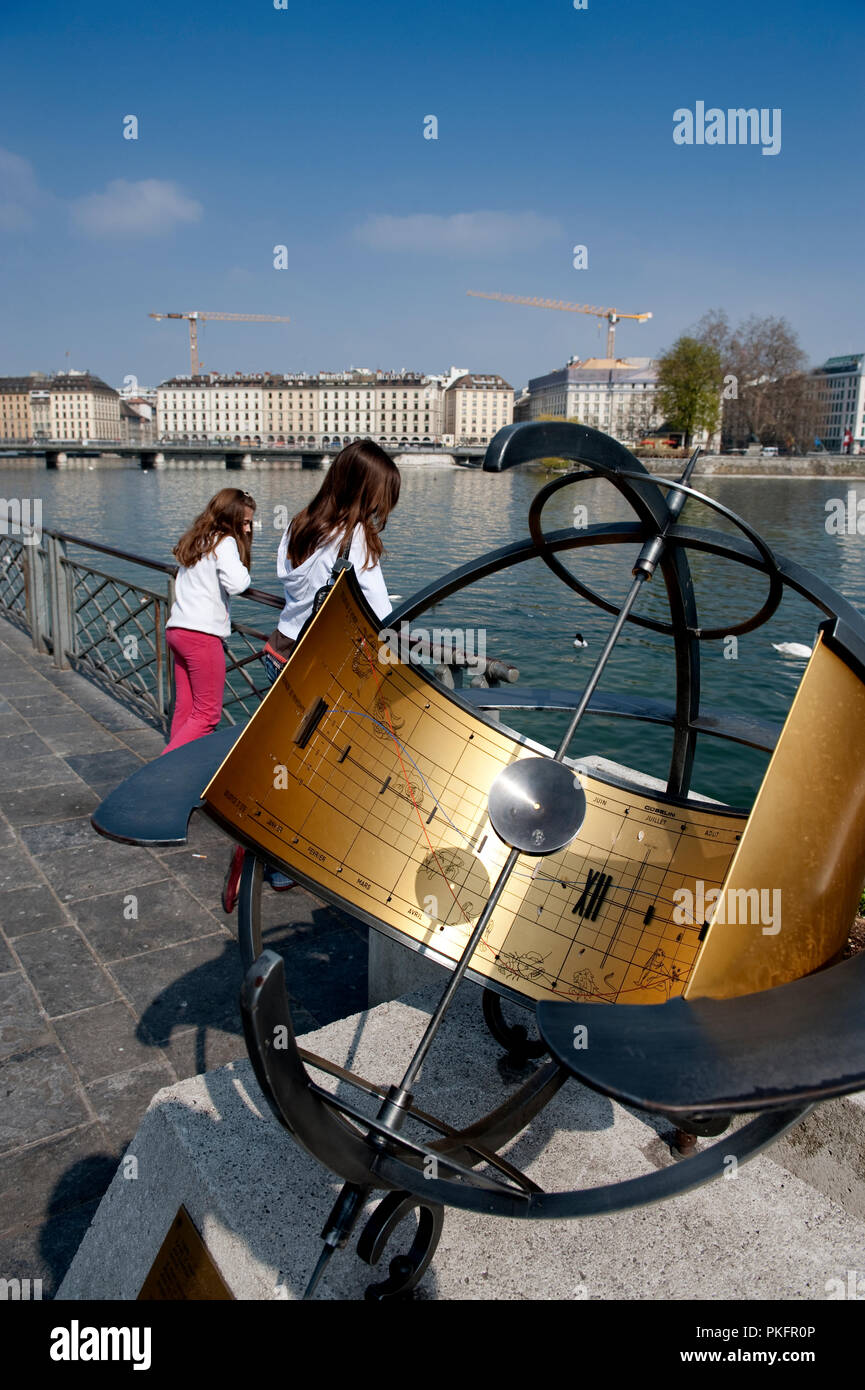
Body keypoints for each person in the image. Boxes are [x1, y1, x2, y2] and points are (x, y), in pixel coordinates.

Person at [221, 440, 400, 910]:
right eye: (381, 495)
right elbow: (380, 614)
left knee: (283, 759)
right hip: (317, 670)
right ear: (366, 490)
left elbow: (292, 582)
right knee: (313, 772)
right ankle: (279, 865)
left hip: (275, 651)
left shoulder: (299, 524)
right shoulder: (354, 539)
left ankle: (250, 839)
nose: (382, 507)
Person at [163, 488, 255, 754]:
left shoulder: (199, 539)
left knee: (186, 707)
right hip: (202, 635)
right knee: (207, 715)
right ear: (231, 519)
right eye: (245, 522)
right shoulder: (224, 542)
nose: (248, 530)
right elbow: (238, 584)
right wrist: (245, 570)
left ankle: (182, 766)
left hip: (178, 629)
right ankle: (162, 774)